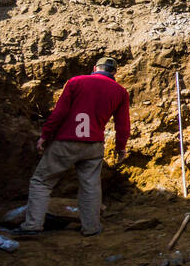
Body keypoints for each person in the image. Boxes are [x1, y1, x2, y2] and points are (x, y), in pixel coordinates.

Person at [21, 57, 131, 236]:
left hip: (66, 142)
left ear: (95, 68)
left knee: (41, 181)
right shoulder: (120, 92)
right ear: (114, 72)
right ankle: (91, 228)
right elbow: (123, 125)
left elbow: (59, 112)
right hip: (94, 146)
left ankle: (32, 226)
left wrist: (45, 135)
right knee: (91, 187)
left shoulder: (76, 82)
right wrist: (121, 147)